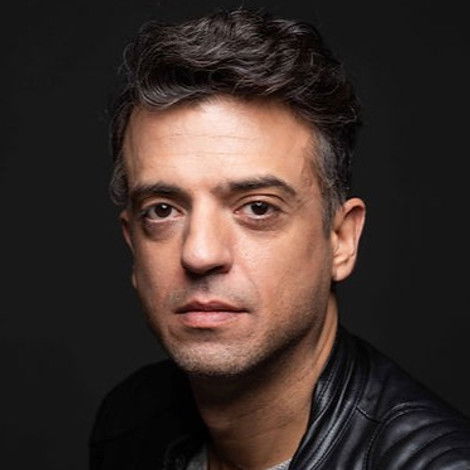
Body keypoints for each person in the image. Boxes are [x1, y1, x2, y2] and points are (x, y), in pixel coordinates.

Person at [89, 8, 470, 470]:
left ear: (341, 239)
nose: (200, 253)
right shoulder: (130, 422)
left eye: (258, 207)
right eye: (163, 210)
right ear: (132, 243)